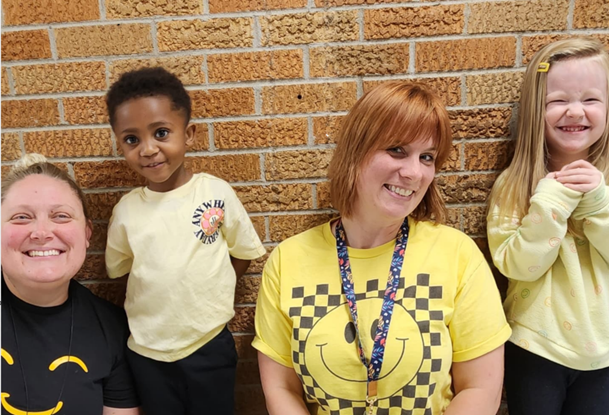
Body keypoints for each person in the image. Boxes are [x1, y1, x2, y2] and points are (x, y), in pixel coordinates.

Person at [253, 82, 511, 415]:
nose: (414, 172)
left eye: (427, 157)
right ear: (356, 150)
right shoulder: (289, 260)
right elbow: (281, 388)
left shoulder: (458, 256)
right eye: (397, 150)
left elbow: (481, 388)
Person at [104, 67, 266, 415]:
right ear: (119, 143)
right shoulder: (127, 212)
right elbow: (121, 272)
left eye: (161, 133)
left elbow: (243, 252)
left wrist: (213, 287)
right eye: (132, 139)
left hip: (208, 344)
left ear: (188, 133)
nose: (148, 150)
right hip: (148, 353)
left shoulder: (215, 193)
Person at [486, 38, 609, 415]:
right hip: (534, 346)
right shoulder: (515, 182)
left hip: (603, 353)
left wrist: (598, 204)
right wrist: (551, 203)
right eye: (557, 101)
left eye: (590, 99)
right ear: (534, 110)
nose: (575, 111)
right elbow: (517, 265)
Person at [1, 154, 140, 415]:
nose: (41, 232)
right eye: (21, 217)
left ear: (87, 233)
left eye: (61, 216)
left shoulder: (114, 330)